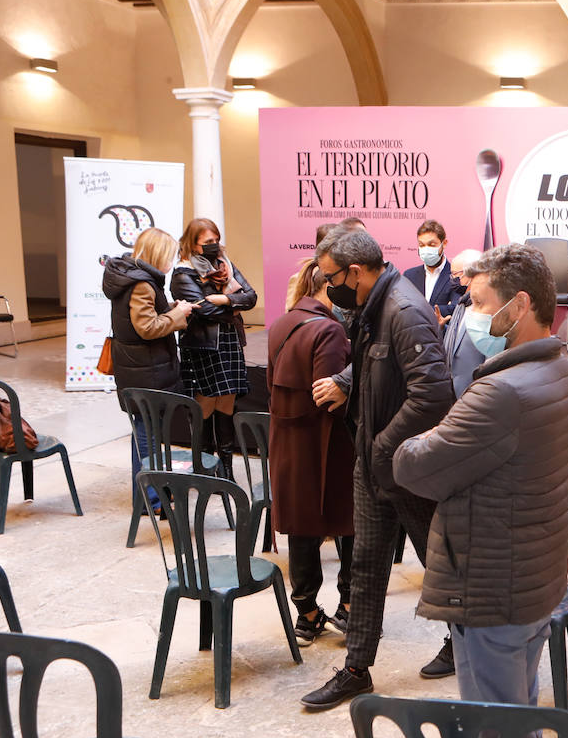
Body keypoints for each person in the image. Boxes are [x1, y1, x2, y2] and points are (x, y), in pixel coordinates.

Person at [393, 243, 568, 738]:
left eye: (478, 302)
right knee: (517, 722)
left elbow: (414, 465)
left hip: (492, 587)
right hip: (531, 578)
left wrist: (419, 440)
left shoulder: (500, 391)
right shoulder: (559, 370)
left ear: (519, 305)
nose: (467, 315)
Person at [300, 229, 454, 710]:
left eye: (331, 278)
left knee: (441, 566)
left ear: (356, 271)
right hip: (374, 466)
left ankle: (466, 642)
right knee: (365, 568)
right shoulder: (371, 306)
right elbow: (372, 365)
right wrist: (346, 381)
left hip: (404, 467)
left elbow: (433, 395)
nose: (328, 287)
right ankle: (356, 668)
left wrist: (385, 445)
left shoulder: (404, 311)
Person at [268, 261, 356, 645]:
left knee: (302, 527)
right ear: (328, 286)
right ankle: (351, 607)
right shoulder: (330, 330)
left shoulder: (281, 322)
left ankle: (306, 614)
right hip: (328, 445)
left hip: (287, 441)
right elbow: (332, 398)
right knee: (352, 526)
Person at [101, 228, 194, 503]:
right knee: (146, 435)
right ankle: (151, 498)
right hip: (145, 370)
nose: (172, 262)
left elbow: (141, 320)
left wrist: (170, 309)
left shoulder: (132, 278)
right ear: (158, 255)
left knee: (145, 431)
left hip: (140, 368)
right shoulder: (142, 284)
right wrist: (178, 315)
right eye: (170, 256)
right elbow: (147, 328)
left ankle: (149, 492)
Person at [170, 218, 257, 479]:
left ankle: (227, 467)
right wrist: (233, 304)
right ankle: (204, 466)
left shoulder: (225, 266)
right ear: (192, 244)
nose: (213, 246)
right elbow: (203, 310)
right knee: (205, 405)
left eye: (216, 240)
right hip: (202, 347)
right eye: (207, 242)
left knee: (227, 403)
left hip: (229, 342)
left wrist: (224, 298)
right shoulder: (183, 273)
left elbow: (250, 297)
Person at [442, 248, 486, 397]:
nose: (452, 280)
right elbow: (457, 339)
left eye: (456, 274)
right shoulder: (461, 305)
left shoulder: (487, 308)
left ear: (472, 275)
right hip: (452, 394)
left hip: (474, 395)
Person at [403, 219, 460, 323]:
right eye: (421, 245)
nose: (426, 249)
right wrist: (442, 308)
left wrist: (417, 309)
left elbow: (455, 308)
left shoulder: (455, 275)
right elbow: (402, 308)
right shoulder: (409, 275)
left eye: (432, 245)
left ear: (444, 243)